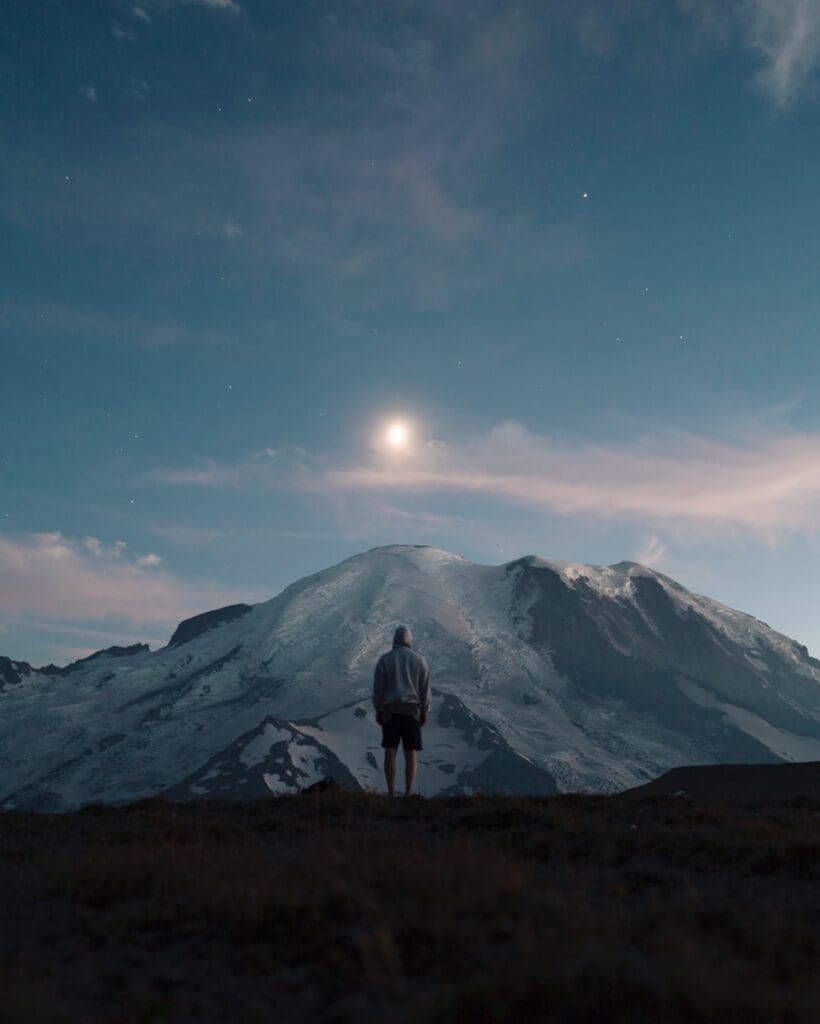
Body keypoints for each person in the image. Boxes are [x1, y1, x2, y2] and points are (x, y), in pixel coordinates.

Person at [372, 625, 431, 796]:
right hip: (412, 711)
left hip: (390, 711)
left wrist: (378, 708)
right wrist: (424, 711)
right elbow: (424, 689)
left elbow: (379, 689)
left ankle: (390, 792)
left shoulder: (385, 660)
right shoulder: (420, 660)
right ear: (409, 640)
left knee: (390, 751)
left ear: (395, 640)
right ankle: (408, 792)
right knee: (410, 752)